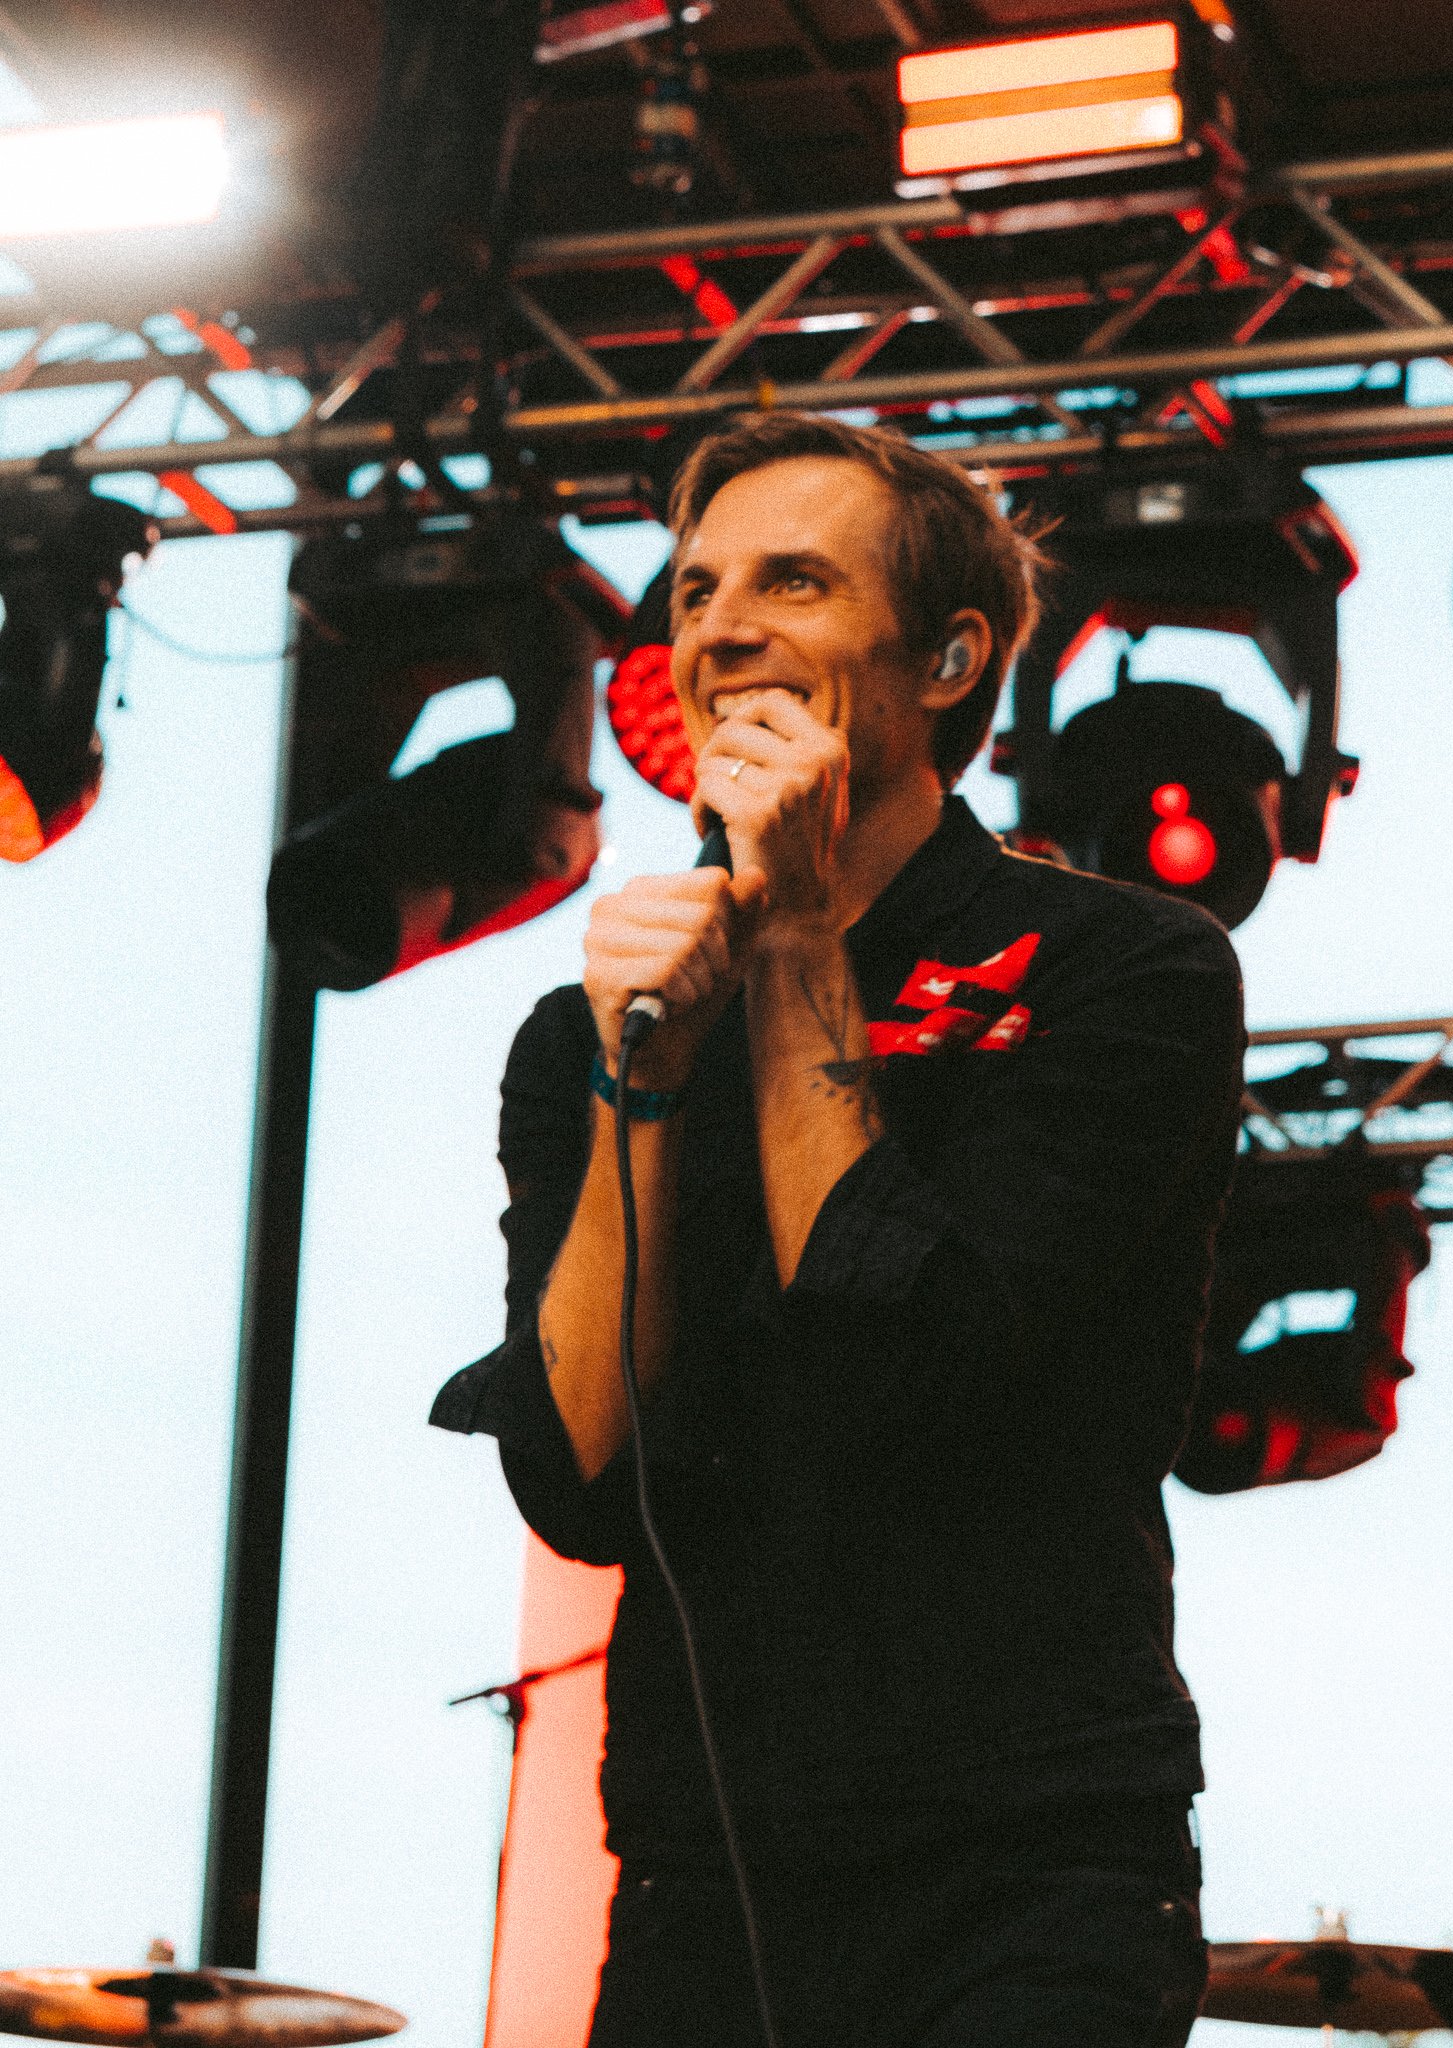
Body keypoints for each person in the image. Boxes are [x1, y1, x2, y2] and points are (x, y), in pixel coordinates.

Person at [432, 412, 1245, 2048]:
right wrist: (636, 1079)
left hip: (1023, 1866)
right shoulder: (580, 1025)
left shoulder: (1118, 968)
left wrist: (797, 923)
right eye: (693, 590)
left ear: (947, 656)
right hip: (703, 1859)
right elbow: (583, 1482)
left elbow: (927, 1363)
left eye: (790, 581)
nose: (718, 627)